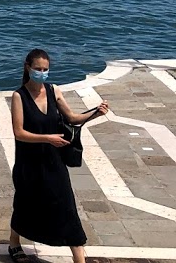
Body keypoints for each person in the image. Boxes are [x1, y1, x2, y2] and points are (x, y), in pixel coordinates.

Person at [8, 48, 110, 263]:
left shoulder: (53, 90)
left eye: (45, 69)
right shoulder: (19, 96)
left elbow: (72, 117)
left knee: (66, 206)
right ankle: (14, 242)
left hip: (54, 161)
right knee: (26, 203)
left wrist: (95, 113)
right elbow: (19, 133)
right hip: (29, 162)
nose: (42, 73)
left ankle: (79, 259)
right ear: (28, 67)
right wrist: (47, 138)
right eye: (38, 69)